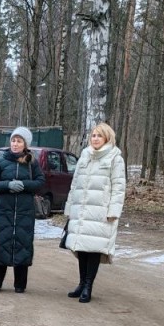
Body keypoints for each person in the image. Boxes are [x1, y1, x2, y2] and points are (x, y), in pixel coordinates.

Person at [62, 122, 126, 303]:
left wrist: (114, 210)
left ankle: (88, 286)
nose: (95, 138)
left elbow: (119, 187)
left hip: (100, 212)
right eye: (93, 135)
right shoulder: (84, 155)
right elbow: (75, 184)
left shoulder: (115, 158)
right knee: (81, 249)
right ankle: (81, 283)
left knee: (93, 250)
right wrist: (69, 207)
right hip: (81, 210)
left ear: (107, 138)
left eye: (99, 135)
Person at [0, 126, 45, 293]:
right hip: (4, 211)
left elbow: (40, 182)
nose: (15, 144)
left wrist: (24, 186)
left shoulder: (32, 162)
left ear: (25, 144)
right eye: (13, 140)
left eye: (19, 141)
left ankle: (20, 285)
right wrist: (8, 185)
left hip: (24, 212)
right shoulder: (1, 161)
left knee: (23, 245)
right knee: (1, 243)